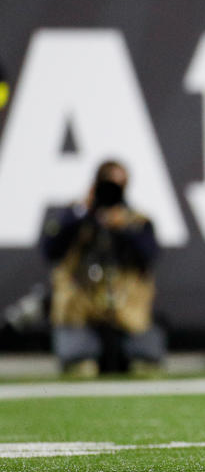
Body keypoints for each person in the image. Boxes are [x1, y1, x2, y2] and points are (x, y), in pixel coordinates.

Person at [41, 160, 164, 377]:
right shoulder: (77, 216)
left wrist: (123, 229)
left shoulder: (137, 221)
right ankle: (79, 356)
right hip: (82, 308)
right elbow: (51, 250)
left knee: (144, 364)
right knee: (80, 365)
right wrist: (83, 212)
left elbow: (149, 255)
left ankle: (135, 354)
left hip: (126, 311)